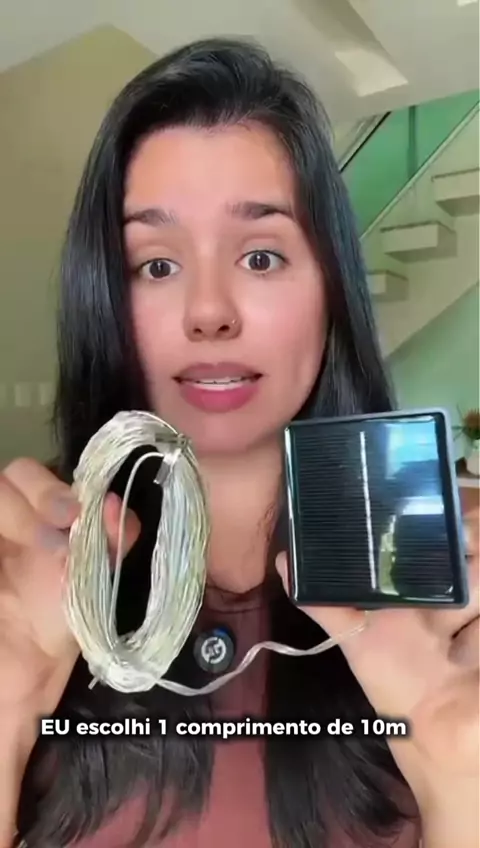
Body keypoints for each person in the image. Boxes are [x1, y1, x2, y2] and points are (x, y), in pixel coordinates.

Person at [0, 38, 478, 848]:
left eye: (260, 256)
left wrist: (458, 766)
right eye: (156, 266)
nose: (209, 313)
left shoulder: (450, 582)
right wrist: (10, 698)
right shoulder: (29, 572)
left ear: (331, 290)